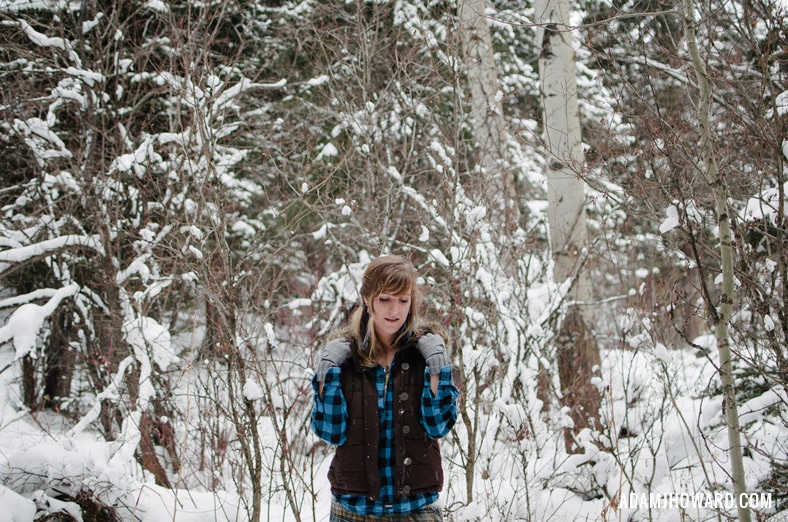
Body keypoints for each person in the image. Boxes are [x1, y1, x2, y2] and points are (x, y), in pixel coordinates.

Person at [311, 254, 459, 521]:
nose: (395, 310)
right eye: (385, 299)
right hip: (353, 511)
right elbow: (330, 433)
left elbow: (438, 427)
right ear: (367, 299)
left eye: (403, 300)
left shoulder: (423, 356)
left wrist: (438, 369)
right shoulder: (345, 359)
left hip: (417, 509)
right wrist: (326, 375)